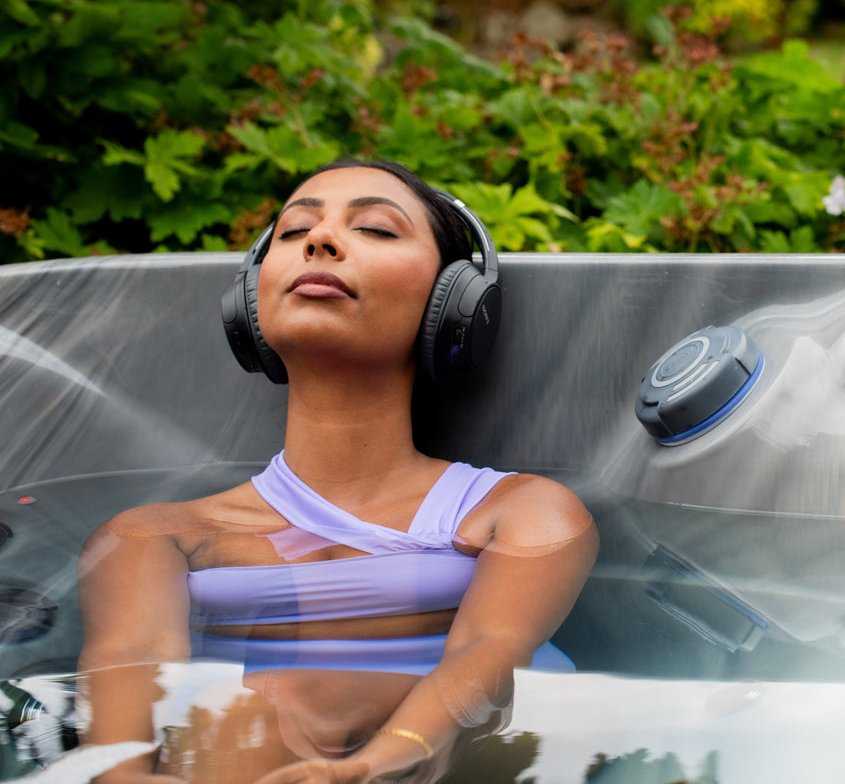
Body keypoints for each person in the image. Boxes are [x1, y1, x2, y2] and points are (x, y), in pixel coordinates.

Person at [76, 159, 599, 784]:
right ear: (251, 300)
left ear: (452, 304)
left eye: (377, 229)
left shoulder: (526, 513)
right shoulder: (153, 535)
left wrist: (377, 762)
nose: (318, 241)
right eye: (293, 232)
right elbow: (130, 666)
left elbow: (488, 651)